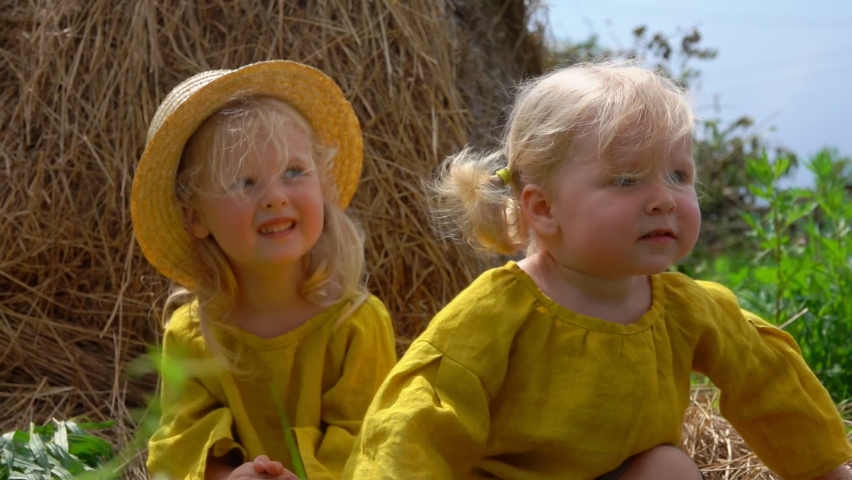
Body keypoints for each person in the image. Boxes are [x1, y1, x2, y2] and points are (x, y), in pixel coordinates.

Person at [342, 61, 852, 480]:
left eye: (679, 175)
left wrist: (826, 470)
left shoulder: (687, 306)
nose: (663, 200)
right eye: (627, 180)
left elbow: (767, 381)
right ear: (543, 208)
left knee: (668, 468)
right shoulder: (499, 309)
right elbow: (419, 417)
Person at [131, 60, 397, 480]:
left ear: (322, 187)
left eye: (293, 172)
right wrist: (226, 476)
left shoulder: (355, 325)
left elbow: (373, 438)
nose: (275, 197)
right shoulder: (193, 335)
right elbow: (180, 438)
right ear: (195, 217)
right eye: (245, 182)